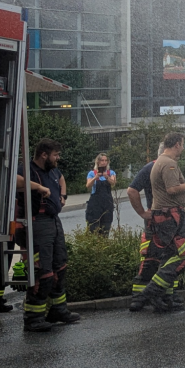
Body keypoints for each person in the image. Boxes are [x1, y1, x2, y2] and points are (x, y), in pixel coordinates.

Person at [16, 138, 81, 332]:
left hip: (53, 221)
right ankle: (33, 317)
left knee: (60, 267)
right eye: (55, 155)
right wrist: (38, 187)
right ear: (44, 155)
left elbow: (60, 178)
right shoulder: (26, 170)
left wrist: (63, 196)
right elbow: (15, 181)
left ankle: (58, 310)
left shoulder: (53, 170)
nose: (58, 158)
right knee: (42, 270)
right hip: (37, 223)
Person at [135, 132, 185, 313]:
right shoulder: (169, 164)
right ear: (177, 144)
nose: (183, 148)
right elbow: (171, 190)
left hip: (168, 215)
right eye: (183, 144)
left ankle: (157, 295)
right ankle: (150, 292)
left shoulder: (159, 162)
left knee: (169, 257)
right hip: (171, 218)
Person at [127, 144, 185, 312]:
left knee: (171, 258)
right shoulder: (151, 167)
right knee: (151, 259)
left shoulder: (170, 168)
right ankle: (140, 298)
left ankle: (167, 295)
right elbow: (132, 191)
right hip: (157, 223)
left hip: (172, 223)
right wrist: (143, 213)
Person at [84, 152, 117, 235]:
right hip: (95, 204)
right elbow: (88, 185)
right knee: (93, 226)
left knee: (106, 226)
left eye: (106, 160)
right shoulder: (92, 173)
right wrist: (95, 177)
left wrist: (106, 176)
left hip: (107, 203)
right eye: (102, 160)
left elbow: (113, 183)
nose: (104, 162)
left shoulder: (111, 173)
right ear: (98, 161)